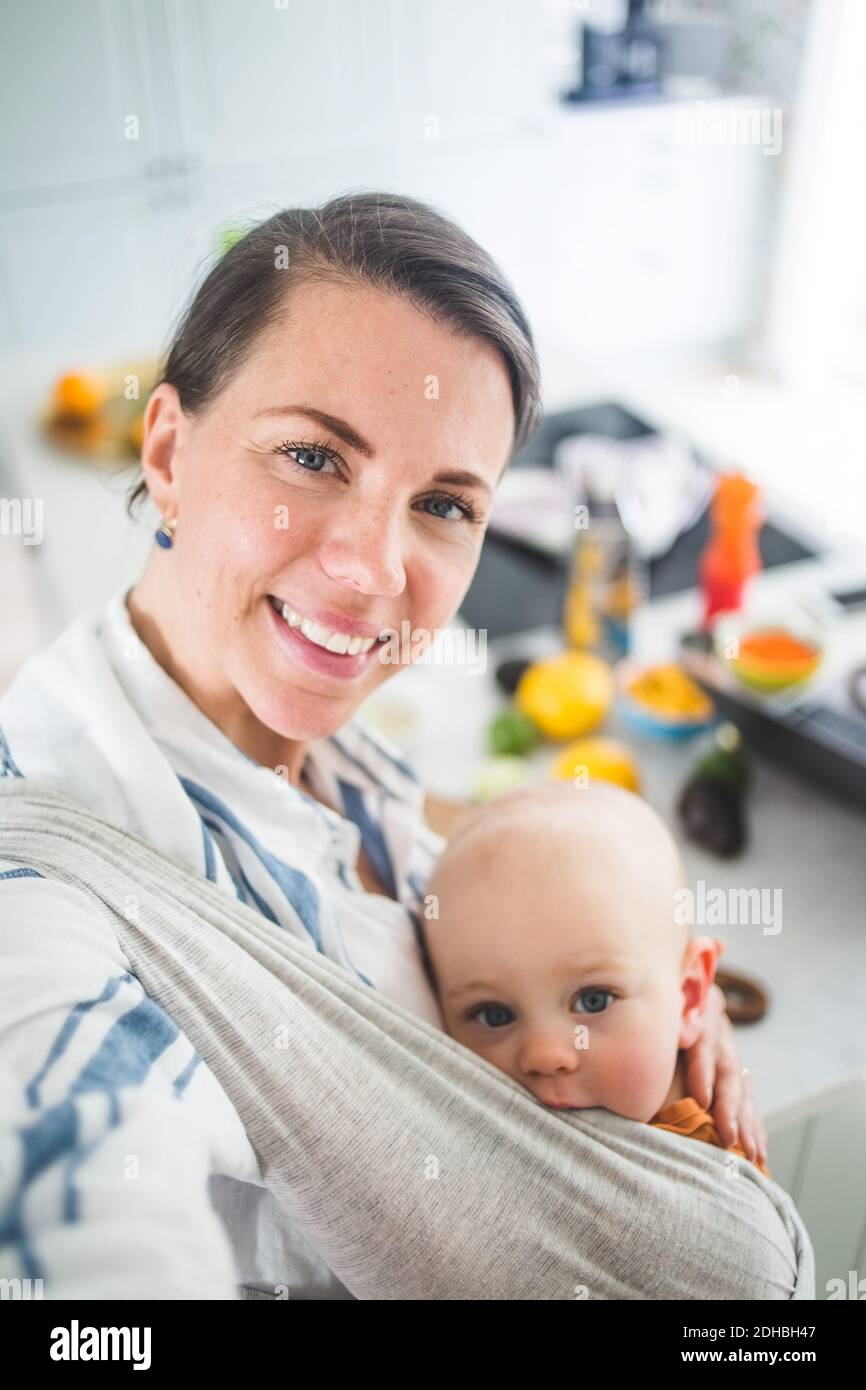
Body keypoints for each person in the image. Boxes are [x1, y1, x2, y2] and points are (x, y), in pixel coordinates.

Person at [0, 192, 773, 1300]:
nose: (373, 569)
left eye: (444, 504)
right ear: (167, 450)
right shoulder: (44, 891)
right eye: (313, 455)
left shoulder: (308, 735)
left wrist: (646, 979)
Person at [423, 780, 771, 1175]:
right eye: (494, 1015)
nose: (545, 1055)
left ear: (690, 998)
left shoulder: (715, 1168)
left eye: (594, 1000)